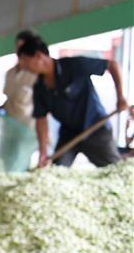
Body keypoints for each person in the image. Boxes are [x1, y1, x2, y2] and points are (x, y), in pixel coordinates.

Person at [17, 35, 128, 168]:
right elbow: (41, 120)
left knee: (113, 169)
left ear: (38, 56)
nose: (23, 66)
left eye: (25, 61)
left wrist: (120, 97)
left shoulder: (74, 65)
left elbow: (112, 65)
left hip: (95, 127)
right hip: (69, 134)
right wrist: (43, 152)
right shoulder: (39, 88)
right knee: (56, 171)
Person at [4, 30, 38, 128]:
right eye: (17, 47)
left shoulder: (37, 73)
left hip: (31, 128)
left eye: (23, 47)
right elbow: (9, 100)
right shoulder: (10, 73)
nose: (19, 51)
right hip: (10, 128)